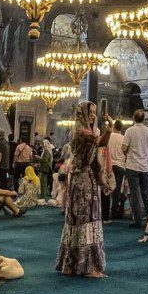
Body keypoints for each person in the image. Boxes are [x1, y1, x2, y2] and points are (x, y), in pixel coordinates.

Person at [57, 101, 106, 277]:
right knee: (85, 219)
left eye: (94, 112)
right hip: (83, 180)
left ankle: (73, 264)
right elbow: (99, 141)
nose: (93, 115)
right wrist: (109, 127)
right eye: (90, 112)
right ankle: (87, 266)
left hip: (85, 178)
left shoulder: (83, 130)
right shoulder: (81, 131)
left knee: (82, 220)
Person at [123, 110, 148, 230]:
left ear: (133, 118)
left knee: (135, 194)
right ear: (144, 119)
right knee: (146, 193)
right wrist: (144, 151)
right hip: (145, 167)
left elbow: (124, 148)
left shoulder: (129, 131)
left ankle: (137, 221)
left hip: (132, 166)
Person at [105, 118, 127, 221]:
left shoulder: (108, 136)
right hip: (120, 165)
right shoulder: (124, 138)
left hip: (108, 165)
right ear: (121, 128)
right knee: (117, 191)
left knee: (107, 188)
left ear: (113, 127)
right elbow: (126, 152)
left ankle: (105, 212)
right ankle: (114, 212)